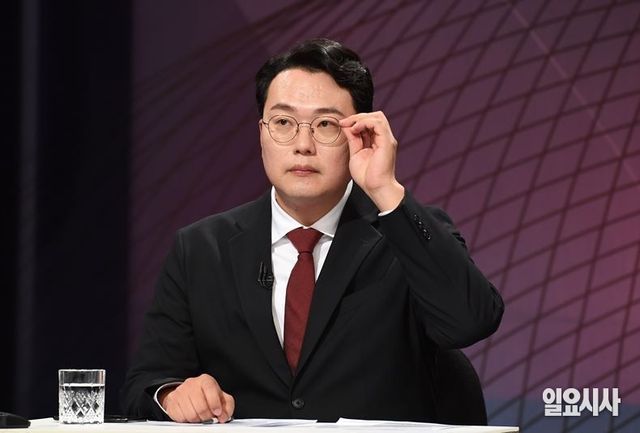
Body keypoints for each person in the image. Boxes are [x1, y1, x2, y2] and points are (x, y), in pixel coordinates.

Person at [121, 38, 504, 424]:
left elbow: (471, 321)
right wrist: (172, 395)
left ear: (360, 133)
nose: (303, 145)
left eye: (326, 125)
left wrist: (386, 190)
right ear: (261, 132)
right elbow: (143, 385)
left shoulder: (405, 234)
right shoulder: (200, 249)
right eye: (283, 123)